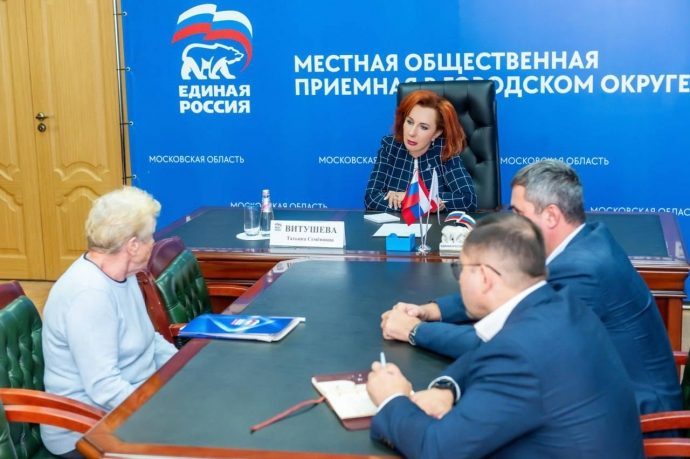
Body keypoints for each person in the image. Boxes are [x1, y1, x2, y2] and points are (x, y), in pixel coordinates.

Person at [380, 160, 681, 416]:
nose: (511, 223)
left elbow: (504, 346)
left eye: (518, 213)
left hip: (632, 416)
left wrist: (414, 331)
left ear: (551, 215)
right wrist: (431, 310)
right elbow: (510, 290)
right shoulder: (585, 239)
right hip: (597, 386)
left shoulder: (582, 269)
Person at [367, 213, 644, 458]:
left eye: (459, 268)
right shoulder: (563, 304)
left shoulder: (517, 355)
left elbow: (436, 450)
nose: (459, 279)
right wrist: (446, 387)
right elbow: (487, 350)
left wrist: (392, 398)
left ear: (485, 278)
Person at [41, 186, 177, 457]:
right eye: (150, 236)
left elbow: (150, 340)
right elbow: (104, 388)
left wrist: (183, 369)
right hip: (87, 428)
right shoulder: (90, 294)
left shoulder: (124, 274)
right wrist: (158, 411)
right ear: (132, 245)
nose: (153, 242)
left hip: (132, 403)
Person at [364, 90, 476, 212]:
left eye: (423, 127)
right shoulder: (390, 146)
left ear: (436, 133)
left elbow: (468, 200)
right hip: (397, 224)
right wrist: (425, 203)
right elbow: (371, 197)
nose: (412, 133)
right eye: (409, 122)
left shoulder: (444, 150)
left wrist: (413, 197)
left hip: (433, 224)